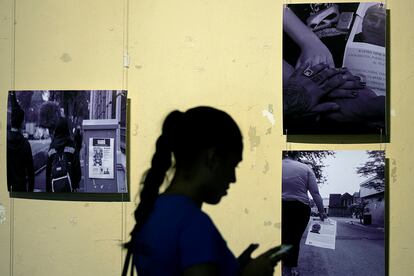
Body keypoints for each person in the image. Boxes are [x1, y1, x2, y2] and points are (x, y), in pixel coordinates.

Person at [123, 106, 282, 276]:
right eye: (233, 165)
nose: (233, 178)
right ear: (212, 158)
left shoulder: (152, 210)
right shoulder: (193, 223)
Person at [281, 152, 327, 276]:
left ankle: (280, 264)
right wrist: (322, 212)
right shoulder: (305, 168)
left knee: (280, 237)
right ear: (297, 156)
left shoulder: (275, 165)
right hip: (299, 208)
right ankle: (292, 268)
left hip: (278, 206)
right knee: (294, 239)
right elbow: (315, 193)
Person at [7, 92, 35, 192]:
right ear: (22, 122)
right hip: (21, 189)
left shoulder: (4, 143)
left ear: (11, 121)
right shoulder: (25, 145)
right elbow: (31, 173)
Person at [46, 117, 81, 192]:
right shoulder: (71, 146)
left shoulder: (52, 147)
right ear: (66, 129)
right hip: (69, 188)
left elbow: (48, 172)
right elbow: (77, 169)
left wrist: (48, 189)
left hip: (54, 189)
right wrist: (75, 185)